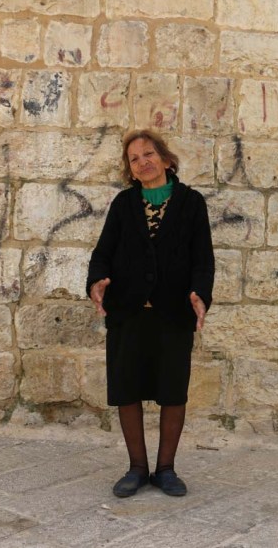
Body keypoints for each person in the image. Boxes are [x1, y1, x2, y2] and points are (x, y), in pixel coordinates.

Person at [86, 129, 214, 498]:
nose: (143, 162)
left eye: (149, 154)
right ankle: (137, 468)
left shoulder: (192, 204)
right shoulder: (124, 205)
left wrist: (200, 294)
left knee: (173, 391)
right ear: (130, 169)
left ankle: (167, 469)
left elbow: (203, 260)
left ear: (166, 159)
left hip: (173, 314)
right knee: (127, 388)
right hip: (127, 313)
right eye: (134, 158)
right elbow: (103, 253)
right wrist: (96, 282)